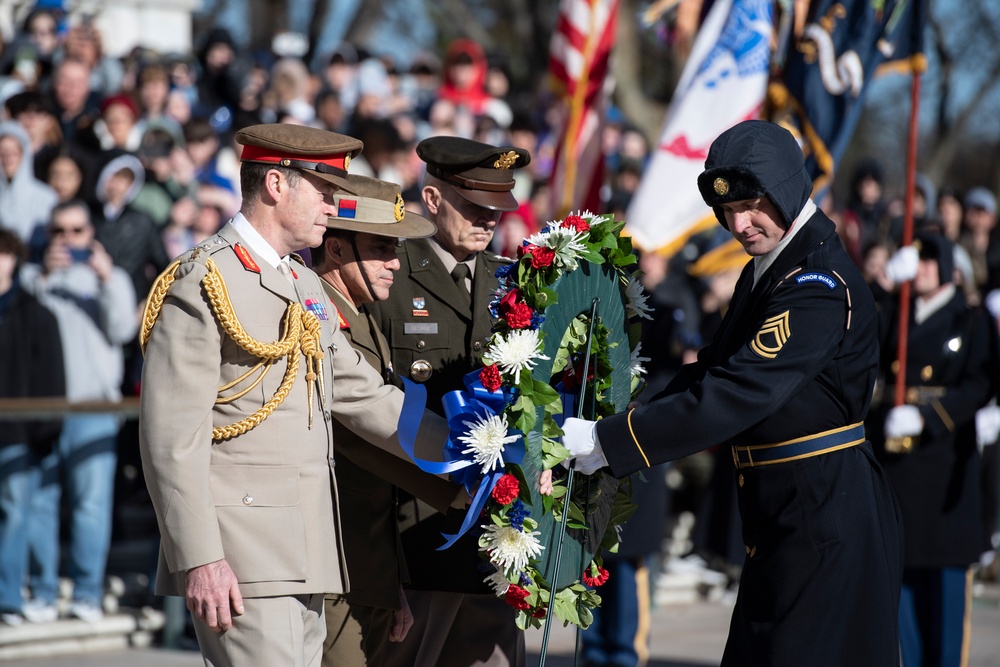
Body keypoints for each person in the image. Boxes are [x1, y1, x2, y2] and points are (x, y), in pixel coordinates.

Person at [562, 120, 903, 666]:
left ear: (787, 189)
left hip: (825, 518)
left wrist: (610, 441)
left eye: (751, 205)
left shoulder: (815, 285)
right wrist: (622, 413)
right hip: (787, 516)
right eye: (728, 211)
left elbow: (737, 390)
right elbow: (711, 371)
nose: (737, 224)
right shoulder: (768, 271)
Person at [137, 123, 448, 667]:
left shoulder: (302, 286)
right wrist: (201, 558)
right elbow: (170, 439)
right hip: (242, 555)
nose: (334, 207)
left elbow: (366, 399)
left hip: (308, 550)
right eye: (325, 192)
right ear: (276, 185)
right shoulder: (203, 280)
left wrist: (480, 454)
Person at [370, 135, 530, 667]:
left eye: (497, 208)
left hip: (494, 537)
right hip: (416, 535)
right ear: (434, 200)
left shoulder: (510, 281)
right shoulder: (390, 273)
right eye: (475, 207)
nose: (489, 219)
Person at [311, 173, 464, 666]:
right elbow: (359, 440)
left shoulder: (359, 315)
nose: (395, 264)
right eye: (381, 249)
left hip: (366, 561)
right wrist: (462, 482)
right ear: (335, 250)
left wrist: (390, 576)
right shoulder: (319, 316)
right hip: (333, 560)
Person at [869, 232, 999, 667]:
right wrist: (884, 283)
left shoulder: (970, 321)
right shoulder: (896, 313)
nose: (921, 267)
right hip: (899, 471)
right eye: (915, 259)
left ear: (948, 267)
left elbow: (981, 382)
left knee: (945, 618)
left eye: (929, 259)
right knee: (901, 607)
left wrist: (929, 416)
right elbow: (862, 332)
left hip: (944, 473)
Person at [19, 200, 137, 623]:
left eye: (76, 231)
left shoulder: (113, 278)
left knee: (91, 506)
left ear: (92, 234)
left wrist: (105, 278)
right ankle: (44, 591)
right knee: (40, 504)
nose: (67, 240)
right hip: (43, 409)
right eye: (58, 232)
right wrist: (47, 276)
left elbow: (124, 330)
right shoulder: (33, 278)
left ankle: (87, 592)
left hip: (95, 408)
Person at [0, 228, 65, 626]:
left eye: (3, 254)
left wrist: (45, 431)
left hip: (16, 434)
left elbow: (50, 378)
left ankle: (8, 597)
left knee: (15, 512)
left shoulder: (36, 313)